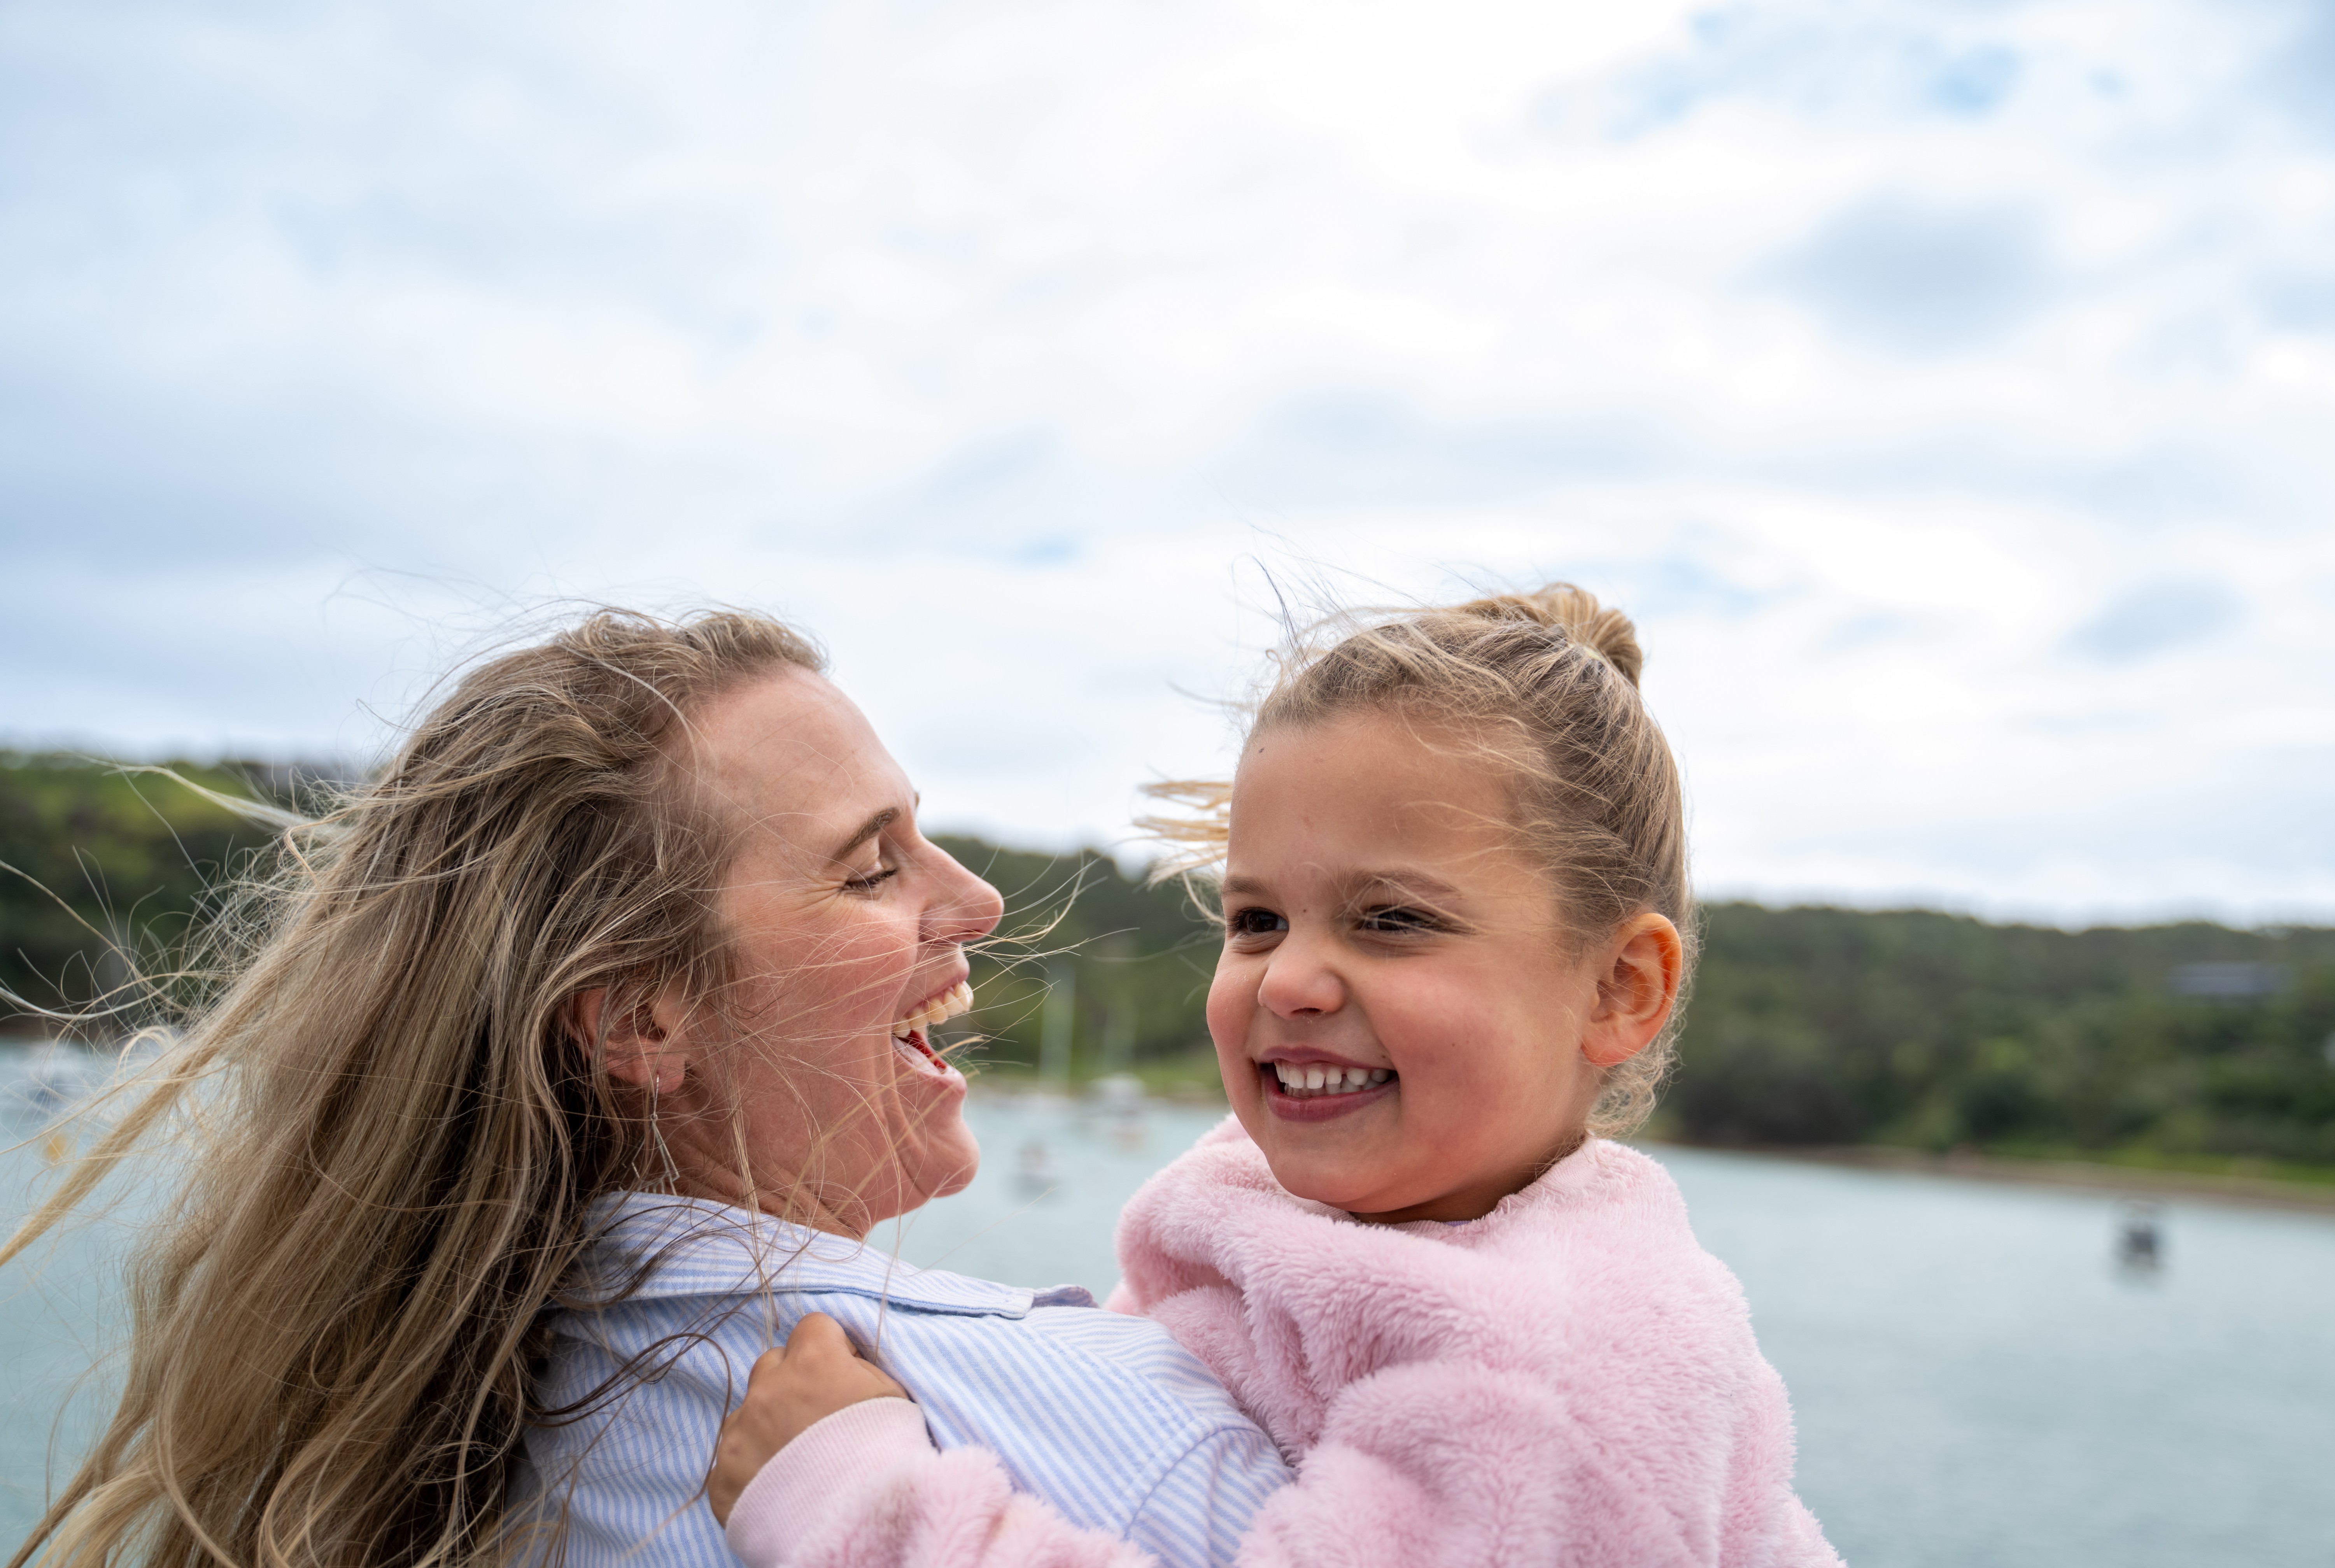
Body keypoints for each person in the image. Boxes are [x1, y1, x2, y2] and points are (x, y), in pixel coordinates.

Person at [2, 609, 1290, 1568]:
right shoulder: (1087, 1429)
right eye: (869, 867)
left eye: (923, 832)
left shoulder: (447, 1466)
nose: (979, 899)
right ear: (639, 1019)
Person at [708, 586, 1843, 1567]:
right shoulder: (1281, 1195)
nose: (1290, 978)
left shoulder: (1560, 1370)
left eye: (1391, 919)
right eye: (1255, 919)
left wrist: (853, 1497)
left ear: (1617, 991)